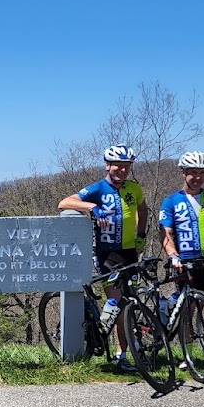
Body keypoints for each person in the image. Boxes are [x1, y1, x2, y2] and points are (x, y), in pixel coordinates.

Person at [56, 144, 148, 372]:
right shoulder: (98, 188)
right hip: (106, 253)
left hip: (129, 252)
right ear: (108, 165)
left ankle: (126, 351)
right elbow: (64, 202)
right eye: (118, 165)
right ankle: (117, 352)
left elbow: (143, 210)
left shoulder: (133, 189)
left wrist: (141, 236)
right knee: (116, 302)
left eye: (127, 166)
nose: (122, 170)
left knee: (130, 302)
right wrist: (92, 208)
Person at [158, 151, 204, 375]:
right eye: (193, 173)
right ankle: (188, 356)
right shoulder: (171, 201)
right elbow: (165, 232)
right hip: (184, 263)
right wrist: (173, 255)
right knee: (187, 312)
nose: (198, 177)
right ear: (183, 173)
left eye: (202, 173)